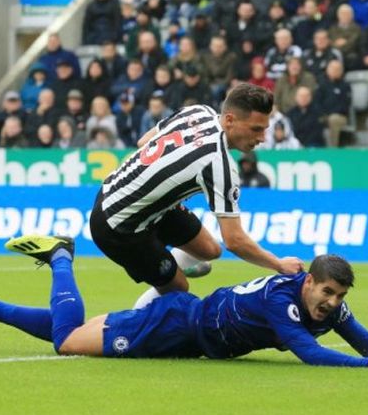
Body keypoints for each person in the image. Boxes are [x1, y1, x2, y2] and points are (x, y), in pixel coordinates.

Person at [0, 236, 368, 371]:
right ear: (308, 282)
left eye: (337, 298)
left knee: (85, 331)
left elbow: (364, 338)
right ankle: (62, 256)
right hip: (177, 324)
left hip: (189, 328)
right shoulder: (282, 301)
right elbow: (309, 354)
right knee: (70, 343)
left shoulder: (328, 308)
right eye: (326, 292)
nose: (330, 304)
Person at [92, 84, 304, 307]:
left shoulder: (198, 112)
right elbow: (234, 240)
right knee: (178, 289)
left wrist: (164, 183)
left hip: (114, 191)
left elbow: (144, 141)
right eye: (255, 129)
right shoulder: (218, 163)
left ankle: (165, 267)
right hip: (118, 226)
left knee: (209, 250)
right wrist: (279, 265)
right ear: (230, 120)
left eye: (264, 129)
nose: (262, 138)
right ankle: (132, 327)